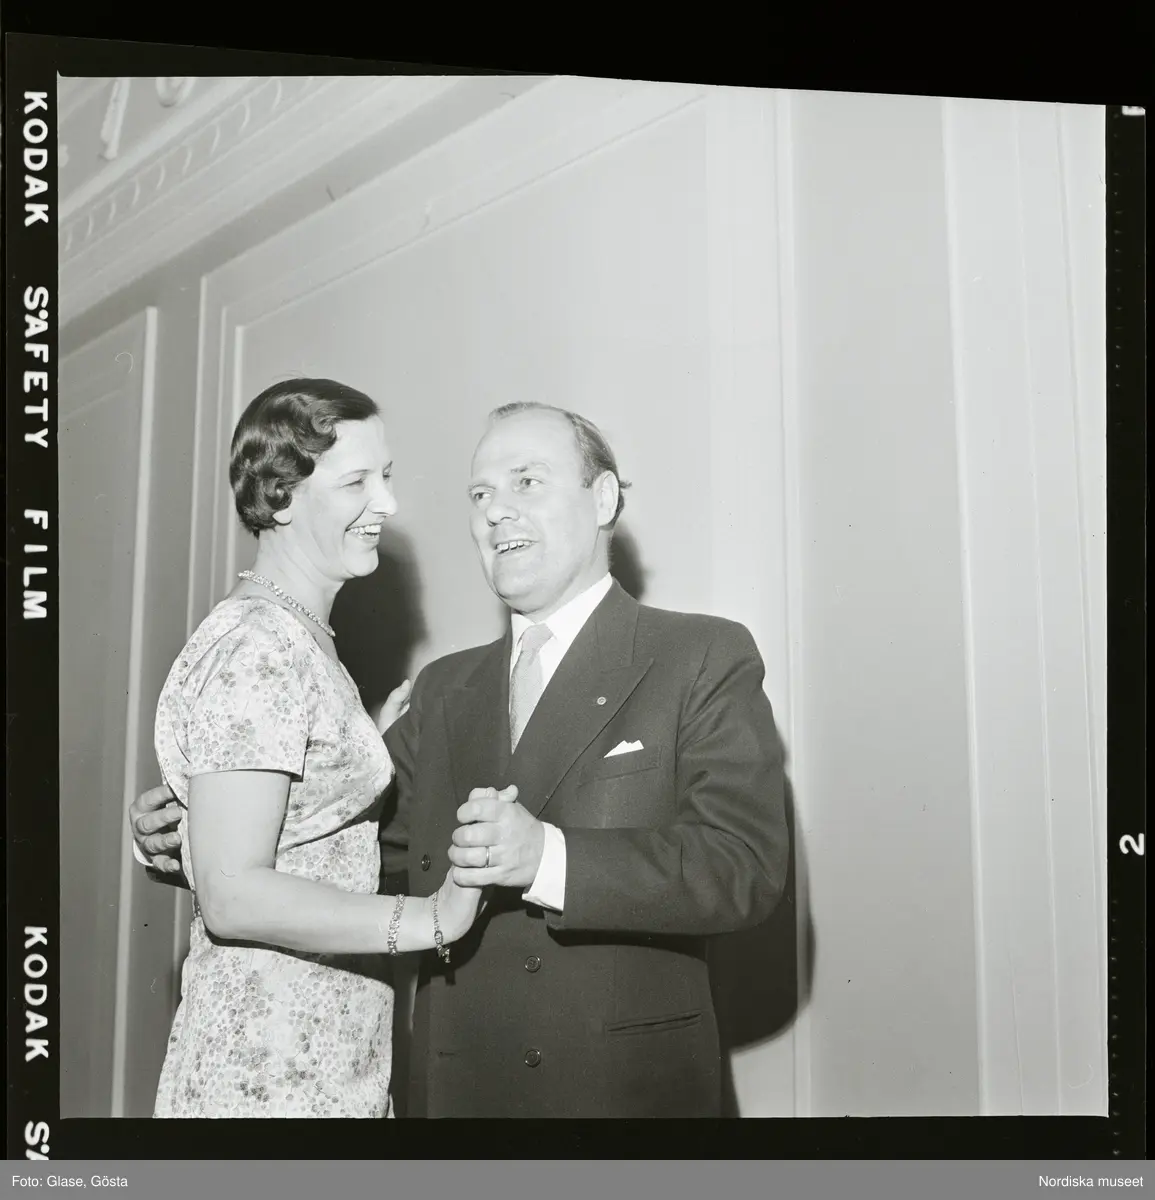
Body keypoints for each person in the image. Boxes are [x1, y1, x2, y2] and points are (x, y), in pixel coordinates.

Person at [133, 401, 789, 1118]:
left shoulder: (699, 654)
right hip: (457, 1100)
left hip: (620, 1099)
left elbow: (745, 867)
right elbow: (352, 859)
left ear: (602, 498)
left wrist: (548, 858)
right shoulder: (443, 688)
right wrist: (196, 834)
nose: (496, 511)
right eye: (480, 494)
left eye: (527, 482)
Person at [143, 378, 486, 1119]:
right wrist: (429, 919)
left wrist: (365, 748)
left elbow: (290, 832)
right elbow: (234, 895)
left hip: (329, 1055)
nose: (388, 503)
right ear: (281, 496)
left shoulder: (302, 641)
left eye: (385, 476)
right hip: (267, 1073)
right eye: (357, 482)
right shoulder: (258, 645)